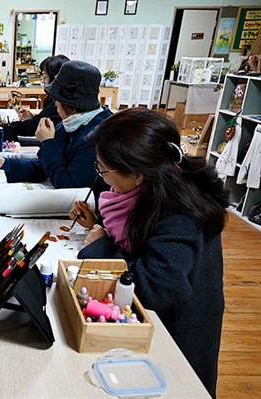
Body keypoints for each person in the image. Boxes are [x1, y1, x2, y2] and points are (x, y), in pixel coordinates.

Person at [71, 108, 229, 398]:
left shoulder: (180, 211)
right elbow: (142, 237)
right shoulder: (156, 183)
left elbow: (159, 286)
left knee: (179, 388)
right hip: (158, 318)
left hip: (178, 328)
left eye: (103, 170)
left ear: (137, 174)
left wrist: (100, 247)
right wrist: (99, 225)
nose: (101, 177)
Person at [0, 60, 112, 198]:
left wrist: (48, 142)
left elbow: (67, 186)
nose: (54, 103)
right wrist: (4, 162)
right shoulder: (68, 124)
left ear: (70, 107)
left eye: (57, 99)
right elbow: (42, 167)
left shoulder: (97, 137)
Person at [11, 54, 70, 138]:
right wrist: (31, 119)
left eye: (45, 77)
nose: (43, 81)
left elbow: (35, 126)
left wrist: (7, 127)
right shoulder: (55, 99)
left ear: (55, 79)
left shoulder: (60, 102)